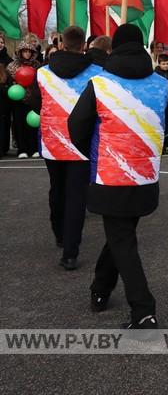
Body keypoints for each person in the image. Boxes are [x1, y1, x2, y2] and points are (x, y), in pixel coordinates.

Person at [68, 23, 168, 329]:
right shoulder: (162, 84)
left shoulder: (100, 83)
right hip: (146, 174)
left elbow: (76, 127)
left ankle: (143, 308)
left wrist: (97, 152)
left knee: (122, 240)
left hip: (110, 174)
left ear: (113, 49)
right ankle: (100, 290)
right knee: (120, 236)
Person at [38, 26, 101, 269]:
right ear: (84, 45)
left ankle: (60, 233)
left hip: (52, 141)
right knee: (77, 196)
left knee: (57, 189)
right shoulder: (98, 73)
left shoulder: (42, 73)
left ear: (62, 43)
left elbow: (35, 101)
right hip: (81, 141)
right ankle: (71, 252)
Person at [9, 39, 42, 158]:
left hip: (32, 100)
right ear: (20, 52)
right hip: (18, 100)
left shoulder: (37, 65)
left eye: (29, 51)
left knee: (33, 124)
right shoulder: (12, 66)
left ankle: (34, 148)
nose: (27, 54)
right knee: (19, 124)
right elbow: (8, 82)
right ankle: (22, 149)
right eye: (25, 51)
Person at [154, 53, 168, 154]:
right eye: (163, 64)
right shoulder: (155, 75)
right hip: (159, 104)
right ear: (159, 64)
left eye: (167, 63)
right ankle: (159, 145)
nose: (165, 66)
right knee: (159, 125)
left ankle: (166, 145)